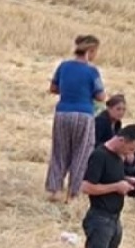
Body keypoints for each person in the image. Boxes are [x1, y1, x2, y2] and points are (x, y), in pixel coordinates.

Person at [45, 35, 106, 203]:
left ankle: (55, 189)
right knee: (81, 153)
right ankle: (73, 193)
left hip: (63, 112)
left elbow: (53, 88)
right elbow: (101, 96)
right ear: (91, 51)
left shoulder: (63, 66)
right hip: (84, 113)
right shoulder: (92, 71)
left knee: (60, 151)